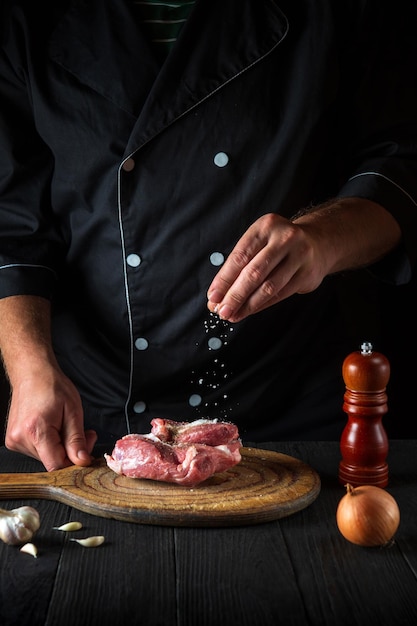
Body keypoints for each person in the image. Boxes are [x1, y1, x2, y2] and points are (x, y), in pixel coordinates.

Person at [0, 0, 416, 472]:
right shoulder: (25, 16)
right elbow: (12, 223)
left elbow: (403, 163)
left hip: (287, 410)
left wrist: (321, 238)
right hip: (91, 420)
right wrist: (29, 366)